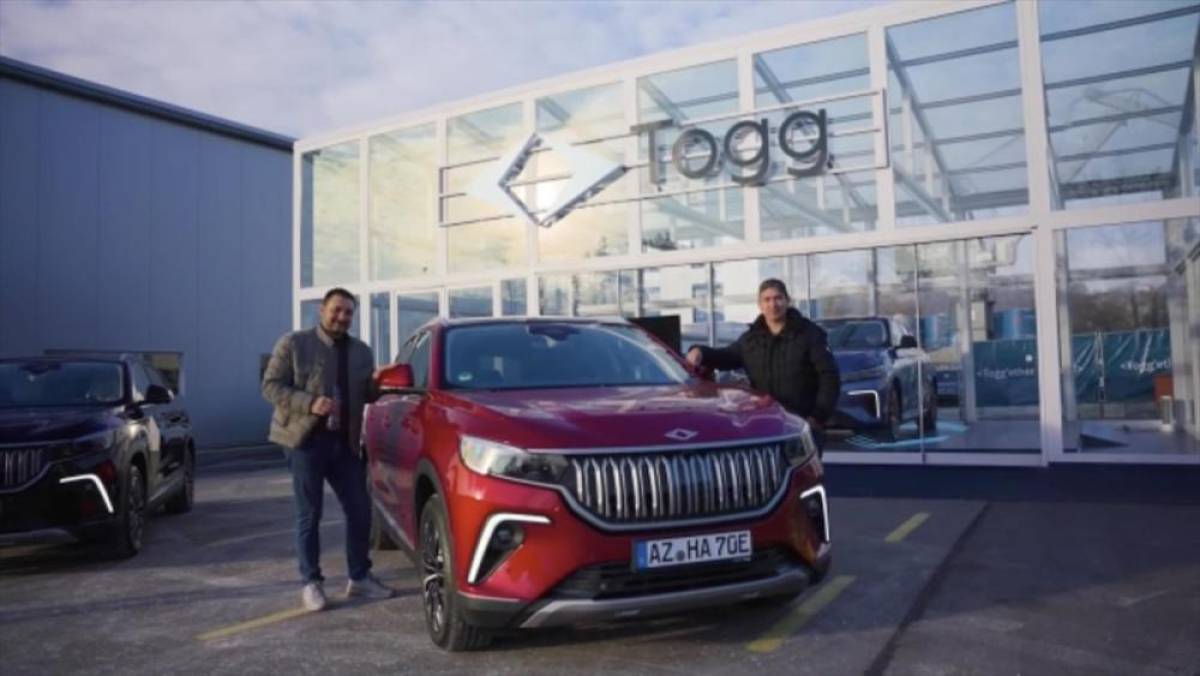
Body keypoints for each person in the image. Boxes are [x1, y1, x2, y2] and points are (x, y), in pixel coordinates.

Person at [262, 287, 395, 611]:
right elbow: (270, 386)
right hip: (304, 441)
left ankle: (359, 578)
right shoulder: (293, 343)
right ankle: (311, 582)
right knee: (310, 513)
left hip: (344, 442)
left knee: (360, 509)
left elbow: (367, 395)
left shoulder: (361, 352)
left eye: (348, 312)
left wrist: (381, 383)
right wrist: (309, 403)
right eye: (336, 310)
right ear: (322, 310)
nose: (342, 317)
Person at [686, 278, 841, 450]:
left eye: (778, 298)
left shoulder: (810, 334)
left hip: (803, 426)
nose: (773, 305)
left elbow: (830, 377)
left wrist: (817, 418)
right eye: (767, 300)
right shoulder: (751, 339)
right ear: (760, 305)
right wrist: (700, 352)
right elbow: (726, 356)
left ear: (787, 301)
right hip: (765, 427)